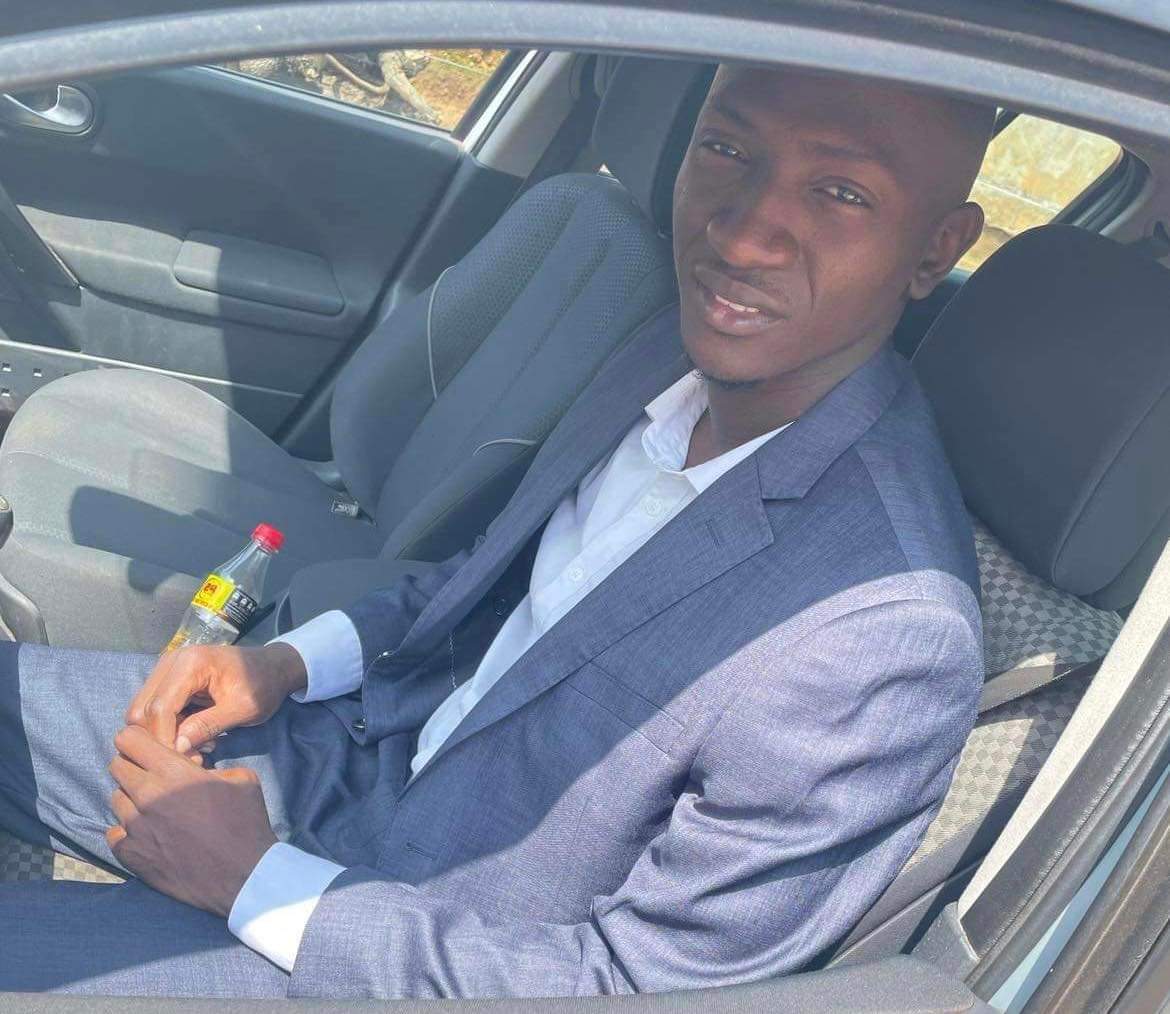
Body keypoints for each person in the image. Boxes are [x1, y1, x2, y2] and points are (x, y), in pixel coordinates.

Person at [0, 65, 993, 997]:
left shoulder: (882, 636)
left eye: (840, 194)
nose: (741, 237)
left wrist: (254, 882)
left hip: (431, 948)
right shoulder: (679, 349)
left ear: (937, 249)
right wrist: (289, 663)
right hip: (351, 750)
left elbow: (633, 993)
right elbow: (489, 583)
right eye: (727, 151)